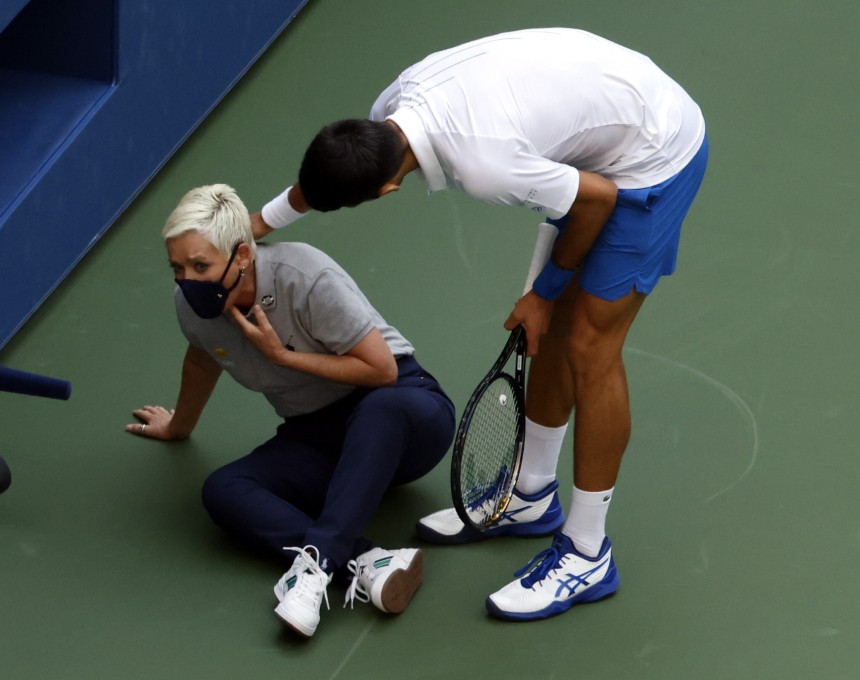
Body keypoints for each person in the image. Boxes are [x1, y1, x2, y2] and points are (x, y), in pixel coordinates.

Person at [249, 27, 708, 621]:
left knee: (589, 348)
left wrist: (543, 293)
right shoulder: (388, 113)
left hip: (652, 152)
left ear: (388, 189)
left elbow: (594, 200)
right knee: (549, 336)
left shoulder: (485, 165)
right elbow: (321, 185)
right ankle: (531, 495)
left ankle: (588, 552)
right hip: (596, 119)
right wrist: (258, 223)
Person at [126, 184, 456, 637]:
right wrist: (178, 426)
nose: (187, 280)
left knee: (381, 410)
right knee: (224, 489)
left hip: (405, 413)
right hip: (318, 433)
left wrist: (284, 357)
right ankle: (368, 560)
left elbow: (380, 371)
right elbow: (202, 359)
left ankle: (317, 566)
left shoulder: (303, 276)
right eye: (177, 268)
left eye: (200, 265)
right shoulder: (192, 306)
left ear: (241, 255)